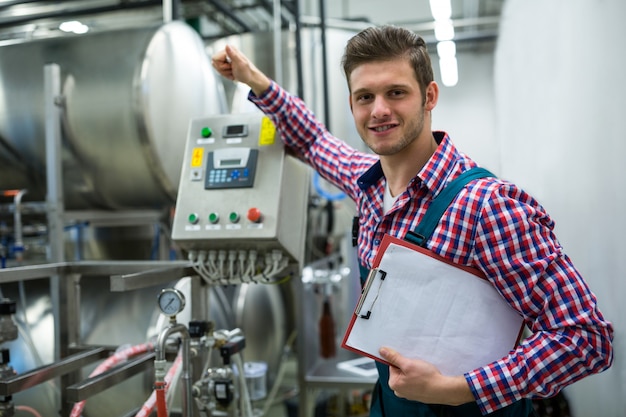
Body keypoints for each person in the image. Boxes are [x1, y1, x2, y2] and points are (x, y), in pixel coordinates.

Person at [211, 25, 613, 417]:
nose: (379, 110)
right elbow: (314, 140)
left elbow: (585, 338)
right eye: (364, 96)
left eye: (396, 93)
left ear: (429, 96)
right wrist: (255, 81)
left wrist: (460, 389)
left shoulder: (488, 206)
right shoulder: (366, 182)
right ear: (352, 105)